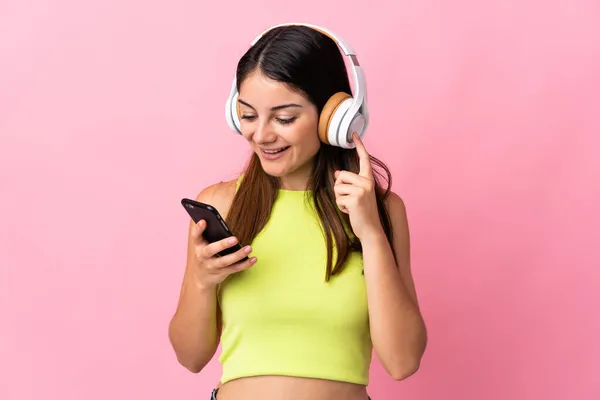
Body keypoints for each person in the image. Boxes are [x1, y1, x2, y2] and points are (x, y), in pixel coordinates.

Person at [168, 23, 428, 400]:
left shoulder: (381, 210)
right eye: (248, 115)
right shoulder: (223, 204)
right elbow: (190, 357)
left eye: (284, 118)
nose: (261, 135)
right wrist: (202, 281)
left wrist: (370, 232)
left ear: (333, 117)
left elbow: (403, 361)